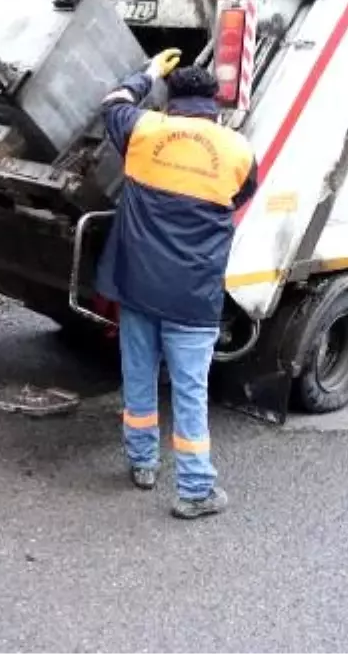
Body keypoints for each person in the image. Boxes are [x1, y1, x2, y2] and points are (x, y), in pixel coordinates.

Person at [95, 49, 258, 520]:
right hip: (193, 296)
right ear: (214, 105)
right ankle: (194, 490)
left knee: (139, 376)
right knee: (189, 391)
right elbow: (240, 197)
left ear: (171, 99)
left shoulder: (144, 131)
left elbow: (113, 102)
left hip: (139, 287)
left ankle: (142, 463)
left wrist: (146, 73)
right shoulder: (237, 149)